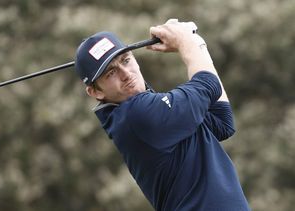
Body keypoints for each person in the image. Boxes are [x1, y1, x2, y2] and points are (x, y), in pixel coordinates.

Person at [74, 19, 251, 211]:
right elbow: (208, 84)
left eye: (126, 60)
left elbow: (222, 122)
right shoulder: (134, 115)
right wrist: (186, 41)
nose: (126, 74)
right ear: (96, 92)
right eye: (111, 73)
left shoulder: (151, 112)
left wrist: (197, 44)